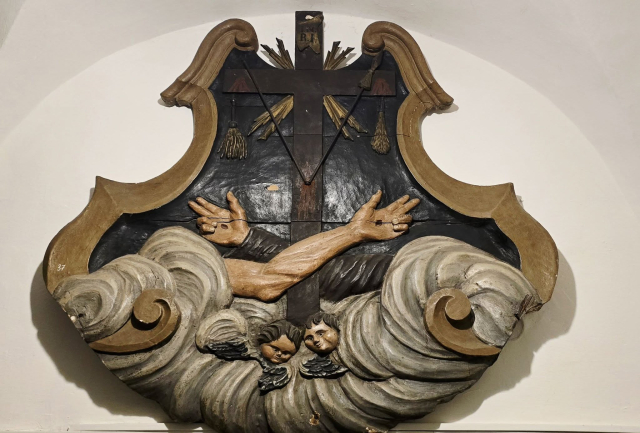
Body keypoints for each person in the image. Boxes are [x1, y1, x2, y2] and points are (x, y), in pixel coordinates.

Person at [188, 190, 419, 303]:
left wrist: (249, 240)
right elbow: (269, 282)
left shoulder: (179, 259)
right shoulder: (181, 271)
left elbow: (277, 273)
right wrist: (353, 233)